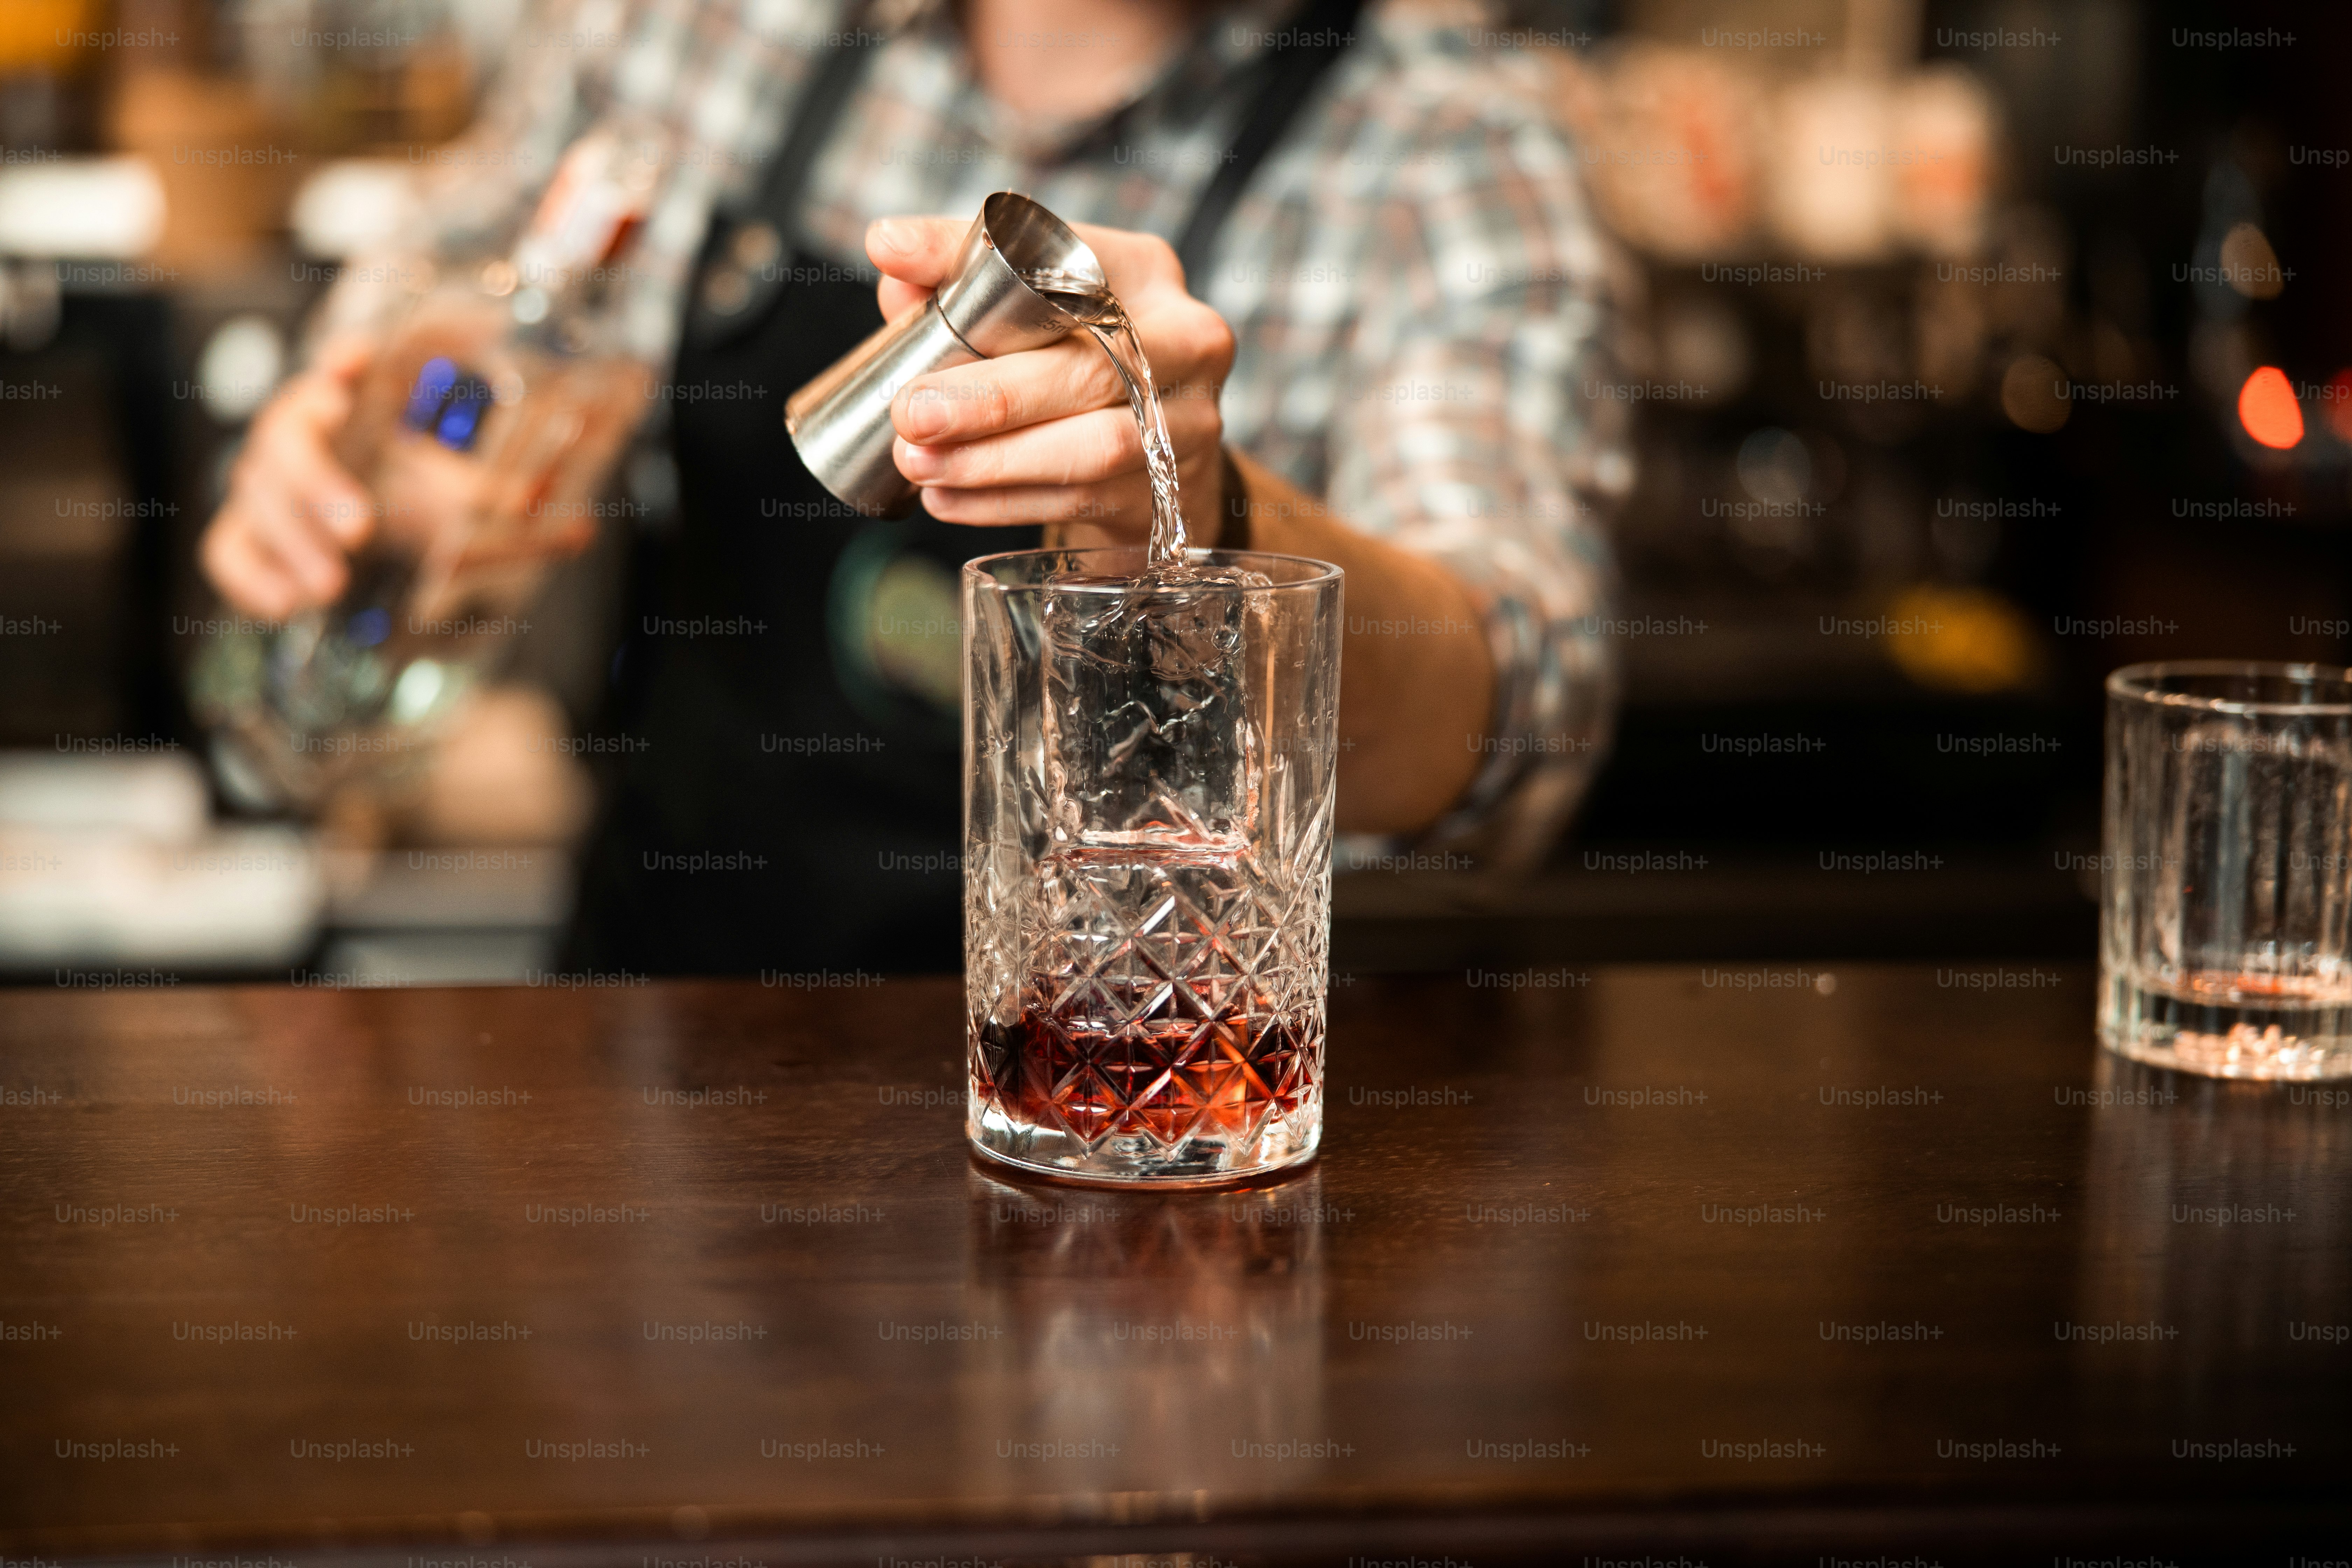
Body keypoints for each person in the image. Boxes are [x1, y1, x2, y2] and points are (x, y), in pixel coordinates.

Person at [199, 0, 1623, 974]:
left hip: (1126, 1140)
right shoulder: (710, 28)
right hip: (665, 1095)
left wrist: (1216, 516)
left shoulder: (1453, 144)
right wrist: (383, 449)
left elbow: (1517, 722)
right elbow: (457, 289)